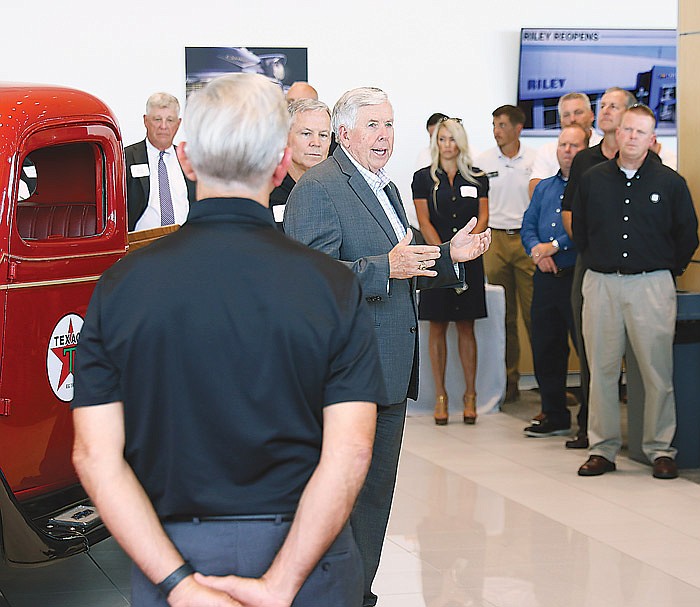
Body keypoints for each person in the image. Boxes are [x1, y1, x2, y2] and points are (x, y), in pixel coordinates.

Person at [72, 73, 386, 607]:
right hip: (308, 555)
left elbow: (94, 457)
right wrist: (283, 581)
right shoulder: (331, 286)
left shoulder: (122, 287)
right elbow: (352, 450)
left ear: (188, 159)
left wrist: (178, 584)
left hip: (173, 548)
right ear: (282, 163)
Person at [284, 86, 491, 607]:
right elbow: (308, 283)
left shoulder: (386, 188)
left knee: (375, 499)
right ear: (345, 133)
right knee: (342, 501)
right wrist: (386, 268)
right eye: (373, 126)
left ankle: (357, 594)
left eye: (391, 125)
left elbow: (407, 264)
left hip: (389, 371)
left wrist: (450, 256)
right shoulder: (320, 187)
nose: (385, 136)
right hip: (347, 374)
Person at [571, 104, 698, 479]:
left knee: (657, 372)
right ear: (617, 132)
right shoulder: (593, 179)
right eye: (627, 130)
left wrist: (662, 271)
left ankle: (660, 449)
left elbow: (686, 235)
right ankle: (602, 449)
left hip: (652, 285)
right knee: (602, 371)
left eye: (640, 132)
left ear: (651, 139)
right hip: (602, 284)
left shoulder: (671, 183)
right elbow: (580, 230)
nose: (631, 137)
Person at [560, 86, 637, 449]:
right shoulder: (585, 161)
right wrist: (592, 250)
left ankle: (641, 433)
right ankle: (589, 426)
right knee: (591, 349)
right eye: (602, 104)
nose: (605, 110)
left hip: (638, 273)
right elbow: (570, 214)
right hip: (590, 266)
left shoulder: (645, 160)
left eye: (613, 106)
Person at [411, 118, 489, 425]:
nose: (447, 144)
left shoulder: (478, 177)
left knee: (467, 326)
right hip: (436, 258)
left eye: (452, 138)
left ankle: (470, 396)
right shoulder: (422, 178)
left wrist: (465, 250)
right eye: (442, 139)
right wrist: (445, 253)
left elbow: (483, 216)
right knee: (438, 326)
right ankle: (440, 397)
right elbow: (424, 221)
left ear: (461, 142)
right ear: (436, 142)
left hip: (471, 258)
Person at [521, 124, 589, 437]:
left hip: (576, 277)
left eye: (574, 146)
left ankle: (588, 420)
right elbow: (528, 226)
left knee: (585, 348)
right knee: (546, 345)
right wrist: (538, 251)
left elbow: (587, 228)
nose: (567, 151)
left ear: (586, 149)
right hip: (546, 276)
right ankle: (553, 413)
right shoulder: (545, 188)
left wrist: (556, 246)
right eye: (563, 145)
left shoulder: (590, 187)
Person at [475, 105, 536, 403]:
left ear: (517, 127)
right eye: (494, 124)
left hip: (526, 239)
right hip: (495, 240)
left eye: (501, 124)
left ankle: (547, 382)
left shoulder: (535, 160)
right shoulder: (483, 161)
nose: (496, 130)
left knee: (534, 314)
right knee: (504, 316)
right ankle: (509, 382)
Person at [124, 92, 196, 231]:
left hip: (184, 242)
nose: (163, 126)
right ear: (146, 121)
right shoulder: (127, 157)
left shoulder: (189, 159)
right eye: (157, 119)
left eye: (170, 120)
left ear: (178, 123)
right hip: (142, 246)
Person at [269, 99, 332, 229]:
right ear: (285, 138)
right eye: (306, 134)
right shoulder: (267, 190)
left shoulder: (341, 191)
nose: (316, 143)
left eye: (323, 135)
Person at [528, 92, 602, 198]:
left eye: (578, 113)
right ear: (560, 120)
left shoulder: (604, 147)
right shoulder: (547, 150)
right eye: (566, 115)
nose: (572, 119)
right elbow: (535, 190)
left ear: (591, 115)